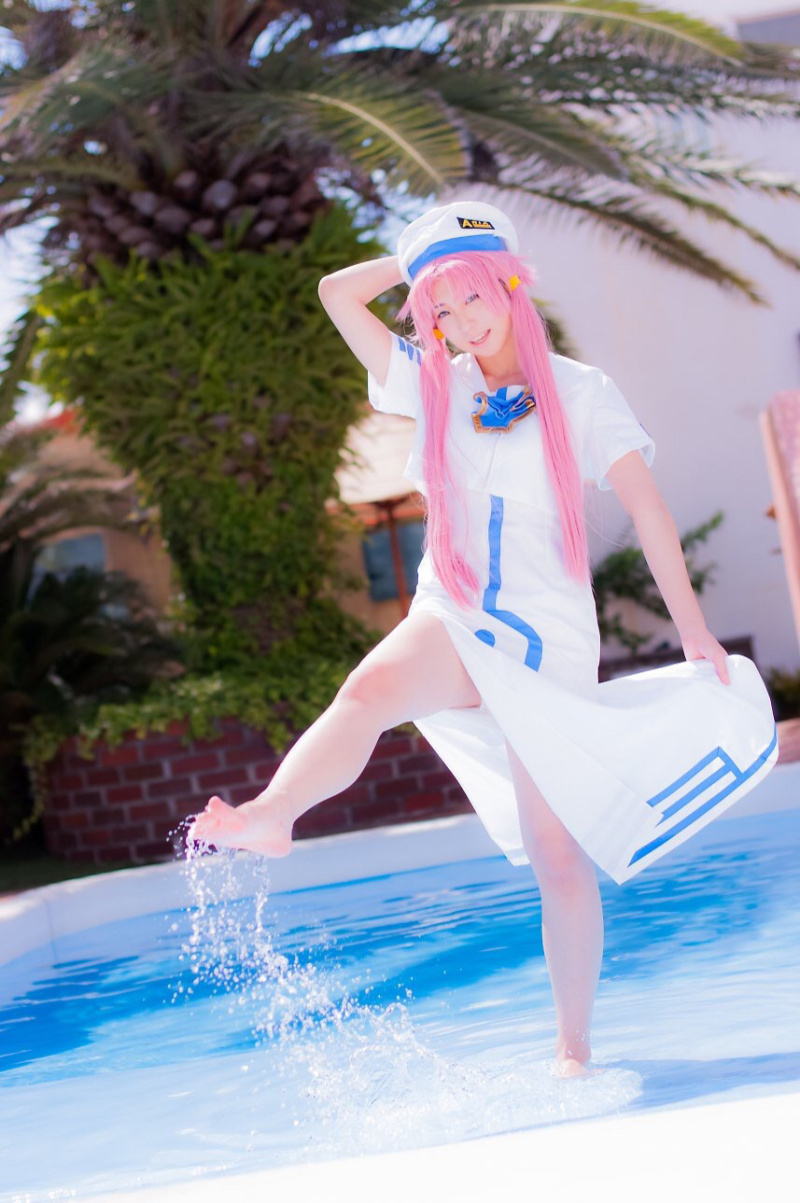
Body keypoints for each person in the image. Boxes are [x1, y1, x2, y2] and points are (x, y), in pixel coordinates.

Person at [188, 201, 778, 1078]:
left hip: (546, 645)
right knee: (368, 692)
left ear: (510, 283)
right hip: (453, 612)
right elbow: (335, 294)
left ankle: (573, 1049)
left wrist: (691, 628)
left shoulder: (582, 391)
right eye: (443, 310)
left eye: (474, 296)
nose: (464, 322)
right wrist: (419, 262)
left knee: (557, 856)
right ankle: (275, 814)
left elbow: (649, 509)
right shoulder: (434, 382)